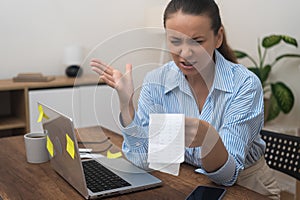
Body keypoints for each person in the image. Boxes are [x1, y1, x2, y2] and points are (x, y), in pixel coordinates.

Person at [90, 0, 280, 199]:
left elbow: (227, 176)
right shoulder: (156, 81)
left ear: (218, 37)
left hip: (247, 188)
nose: (185, 53)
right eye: (175, 41)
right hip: (191, 183)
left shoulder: (245, 84)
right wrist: (126, 104)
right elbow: (141, 159)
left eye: (197, 41)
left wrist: (208, 138)